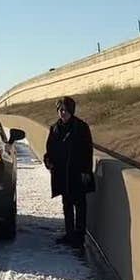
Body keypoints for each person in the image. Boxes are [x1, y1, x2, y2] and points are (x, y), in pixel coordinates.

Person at [43, 96, 95, 248]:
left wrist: (86, 171)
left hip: (77, 173)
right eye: (60, 110)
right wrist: (48, 161)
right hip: (61, 173)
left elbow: (87, 150)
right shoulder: (54, 128)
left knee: (79, 205)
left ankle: (79, 237)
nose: (62, 113)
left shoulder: (81, 127)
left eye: (65, 110)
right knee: (66, 204)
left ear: (71, 111)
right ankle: (69, 234)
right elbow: (49, 149)